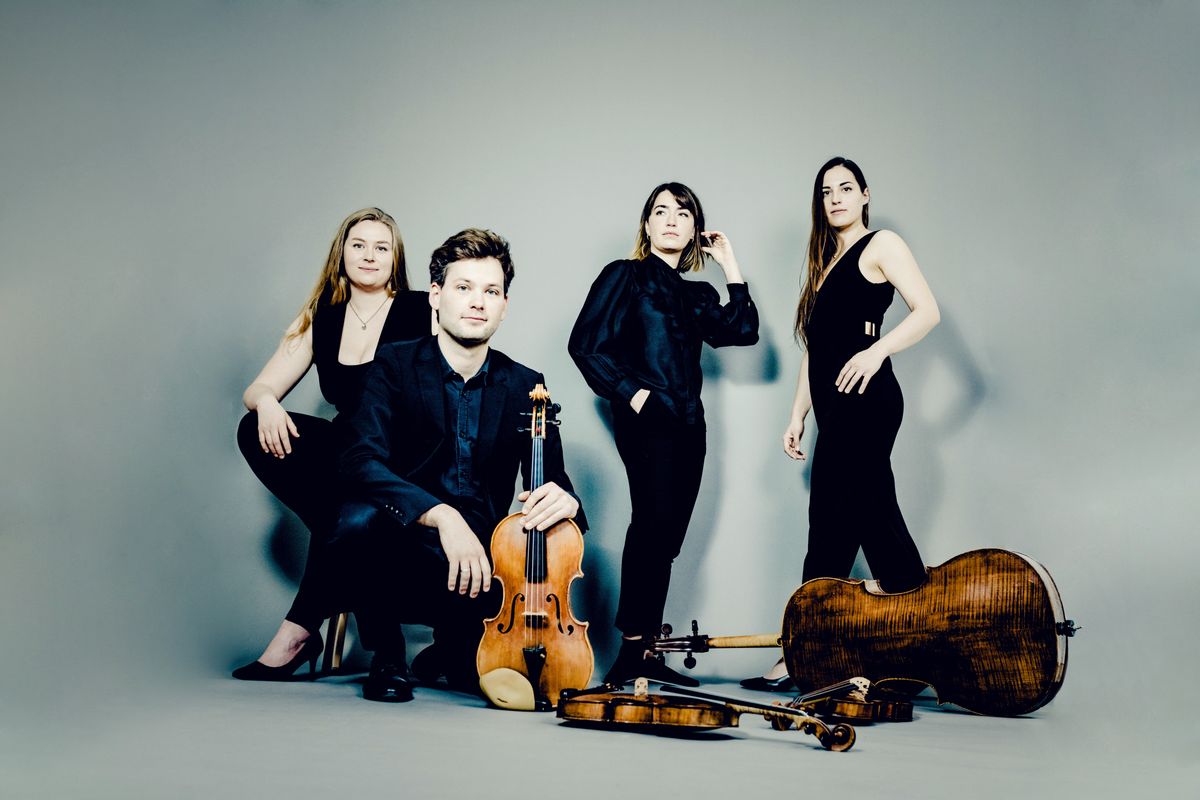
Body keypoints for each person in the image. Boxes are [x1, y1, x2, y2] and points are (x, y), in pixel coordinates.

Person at [332, 228, 586, 703]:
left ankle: (450, 651)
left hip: (483, 573)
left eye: (491, 291)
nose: (477, 302)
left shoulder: (526, 384)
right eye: (463, 287)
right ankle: (388, 655)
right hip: (404, 552)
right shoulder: (394, 365)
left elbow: (552, 480)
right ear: (436, 295)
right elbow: (358, 460)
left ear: (504, 305)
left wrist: (566, 499)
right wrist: (441, 515)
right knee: (356, 520)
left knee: (491, 678)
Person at [742, 156, 940, 692]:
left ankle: (816, 655)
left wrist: (878, 351)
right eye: (827, 191)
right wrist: (796, 416)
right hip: (834, 410)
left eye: (846, 188)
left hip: (869, 400)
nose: (835, 198)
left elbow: (927, 312)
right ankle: (895, 651)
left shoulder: (883, 245)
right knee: (845, 524)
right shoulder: (824, 262)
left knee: (849, 522)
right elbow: (817, 349)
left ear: (865, 195)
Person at [568, 182, 759, 686]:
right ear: (647, 226)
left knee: (668, 537)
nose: (671, 219)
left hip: (690, 427)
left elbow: (741, 329)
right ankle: (632, 654)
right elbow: (586, 345)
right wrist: (635, 395)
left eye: (683, 212)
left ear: (695, 228)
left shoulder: (695, 294)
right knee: (652, 526)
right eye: (660, 211)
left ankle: (646, 652)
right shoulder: (624, 277)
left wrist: (730, 265)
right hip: (647, 421)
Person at [233, 208, 432, 681]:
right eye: (359, 245)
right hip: (348, 454)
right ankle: (364, 639)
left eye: (381, 247)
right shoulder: (321, 316)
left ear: (396, 258)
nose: (369, 255)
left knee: (351, 507)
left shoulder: (423, 308)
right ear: (341, 253)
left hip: (404, 456)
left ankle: (301, 631)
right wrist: (267, 404)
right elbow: (257, 390)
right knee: (252, 431)